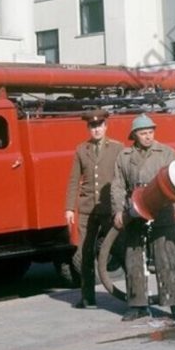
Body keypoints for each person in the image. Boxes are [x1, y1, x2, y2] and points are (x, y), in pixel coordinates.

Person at [111, 114, 175, 322]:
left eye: (150, 132)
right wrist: (118, 211)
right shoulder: (124, 157)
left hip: (162, 214)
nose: (147, 136)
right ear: (134, 135)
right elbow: (117, 186)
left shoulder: (167, 153)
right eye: (143, 133)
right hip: (135, 213)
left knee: (166, 259)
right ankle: (138, 305)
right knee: (133, 258)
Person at [65, 109, 123, 309]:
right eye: (92, 126)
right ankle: (88, 297)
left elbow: (122, 179)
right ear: (88, 128)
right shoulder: (82, 150)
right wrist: (69, 208)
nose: (96, 129)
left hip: (109, 209)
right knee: (85, 253)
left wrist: (123, 206)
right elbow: (74, 180)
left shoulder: (117, 148)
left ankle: (135, 296)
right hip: (87, 210)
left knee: (120, 249)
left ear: (106, 127)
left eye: (99, 125)